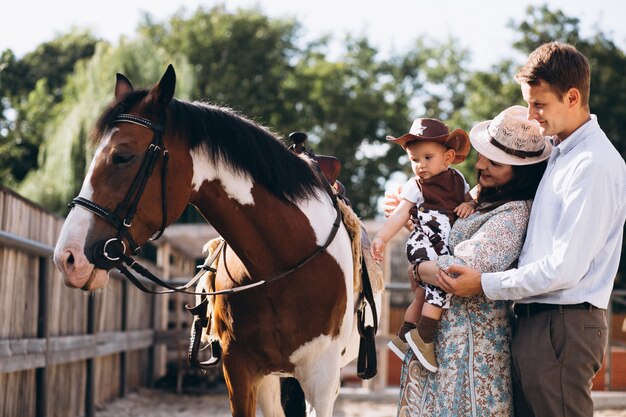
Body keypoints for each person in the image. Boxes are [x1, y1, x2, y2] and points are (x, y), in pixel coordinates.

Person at [438, 42, 626, 417]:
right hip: (533, 323)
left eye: (539, 104)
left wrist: (485, 284)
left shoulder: (592, 166)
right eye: (528, 103)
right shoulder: (557, 153)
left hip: (562, 325)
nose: (531, 115)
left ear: (572, 97)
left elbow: (564, 268)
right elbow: (502, 181)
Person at [387, 105, 551, 415]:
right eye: (483, 156)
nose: (483, 165)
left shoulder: (514, 212)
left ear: (522, 171)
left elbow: (456, 272)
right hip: (443, 339)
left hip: (472, 345)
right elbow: (440, 238)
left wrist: (419, 267)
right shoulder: (477, 195)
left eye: (496, 162)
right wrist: (413, 219)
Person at [370, 118, 475, 372]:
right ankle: (425, 338)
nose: (421, 165)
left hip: (441, 245)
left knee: (423, 292)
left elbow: (472, 198)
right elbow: (400, 214)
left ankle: (405, 336)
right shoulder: (415, 186)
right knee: (441, 281)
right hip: (423, 241)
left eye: (428, 157)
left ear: (448, 157)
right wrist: (382, 238)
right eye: (415, 160)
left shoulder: (459, 180)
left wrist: (469, 204)